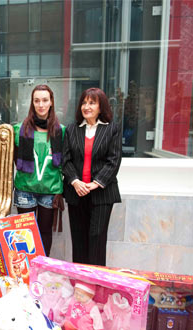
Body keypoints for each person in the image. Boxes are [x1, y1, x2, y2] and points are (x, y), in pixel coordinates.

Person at [62, 87, 122, 266]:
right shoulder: (72, 129)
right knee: (78, 240)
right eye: (84, 102)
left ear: (101, 107)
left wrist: (95, 183)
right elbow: (65, 159)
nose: (86, 106)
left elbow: (114, 160)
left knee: (96, 239)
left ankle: (95, 286)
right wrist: (75, 181)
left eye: (92, 103)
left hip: (102, 194)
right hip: (76, 192)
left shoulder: (112, 129)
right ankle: (79, 285)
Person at [14, 85, 64, 256]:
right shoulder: (18, 130)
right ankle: (26, 272)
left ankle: (42, 270)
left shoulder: (61, 131)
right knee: (25, 236)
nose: (41, 104)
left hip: (50, 190)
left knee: (45, 233)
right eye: (37, 100)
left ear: (51, 102)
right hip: (25, 189)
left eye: (44, 100)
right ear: (32, 103)